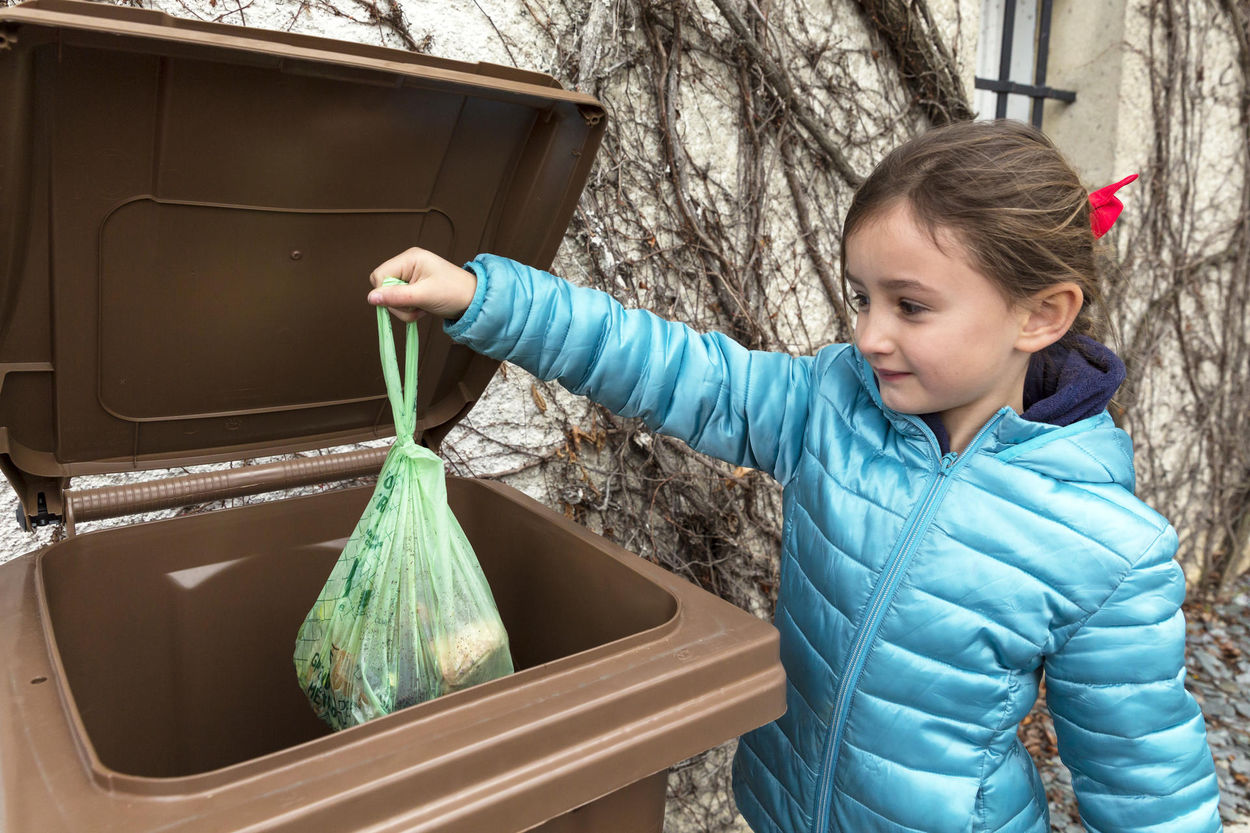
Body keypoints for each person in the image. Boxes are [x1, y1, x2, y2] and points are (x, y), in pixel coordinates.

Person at [366, 119, 1223, 833]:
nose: (870, 335)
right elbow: (663, 365)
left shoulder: (1107, 549)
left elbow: (1147, 783)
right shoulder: (833, 407)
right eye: (862, 297)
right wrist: (485, 299)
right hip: (782, 809)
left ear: (1041, 314)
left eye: (910, 305)